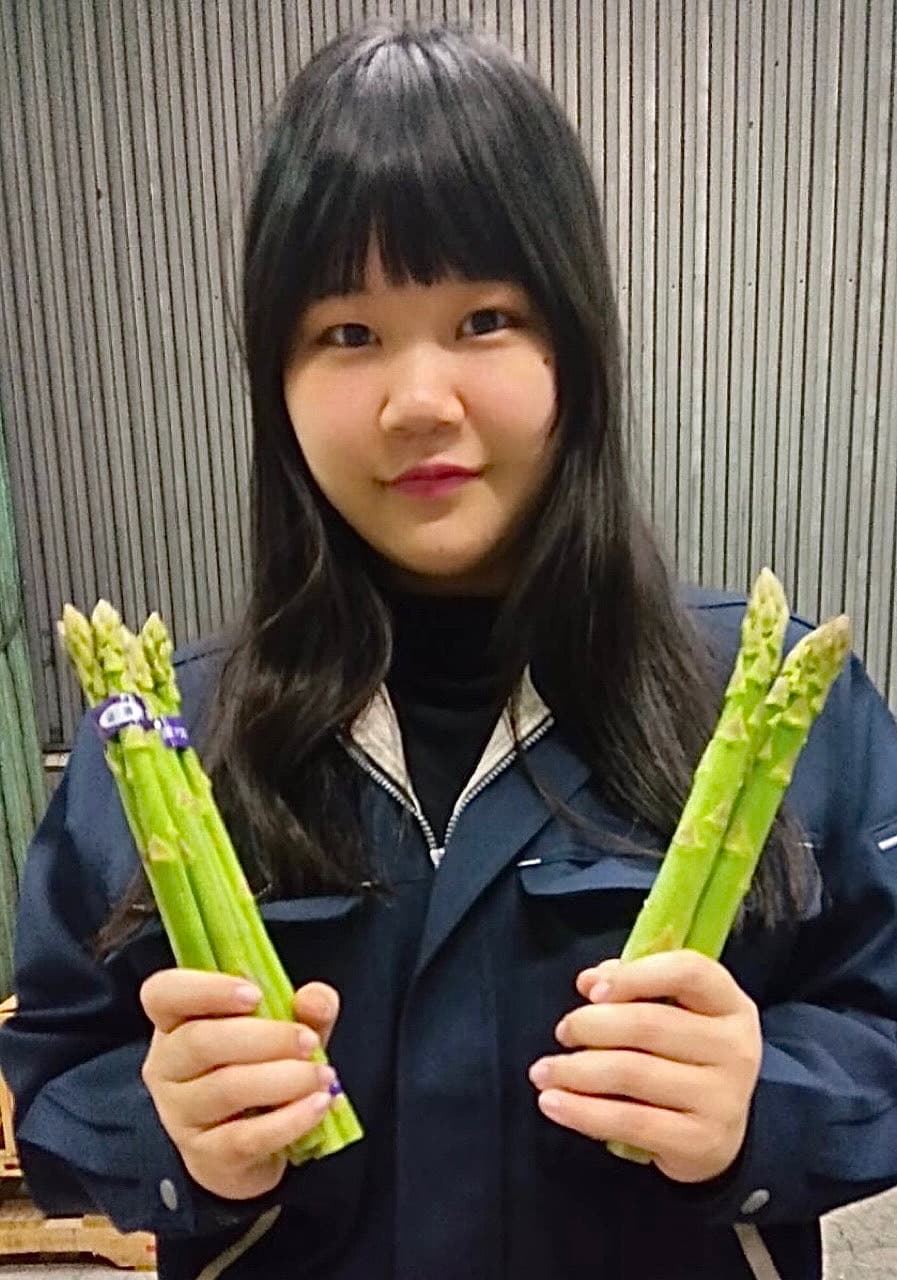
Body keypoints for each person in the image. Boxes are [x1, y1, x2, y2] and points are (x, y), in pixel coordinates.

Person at [1, 19, 896, 1280]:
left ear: (576, 346)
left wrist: (768, 1100)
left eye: (484, 318)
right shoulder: (156, 736)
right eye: (347, 333)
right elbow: (52, 1078)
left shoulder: (781, 708)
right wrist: (165, 1128)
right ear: (276, 378)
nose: (419, 402)